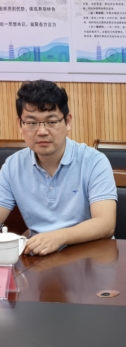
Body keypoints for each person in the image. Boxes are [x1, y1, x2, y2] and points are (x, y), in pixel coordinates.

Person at [0, 80, 117, 256]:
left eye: (51, 121)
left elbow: (105, 223)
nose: (42, 131)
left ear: (68, 121)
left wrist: (59, 237)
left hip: (90, 257)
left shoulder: (94, 161)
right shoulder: (13, 166)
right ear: (20, 125)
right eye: (31, 123)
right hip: (39, 259)